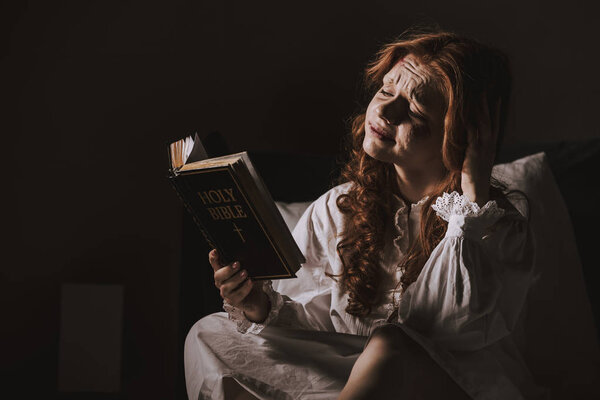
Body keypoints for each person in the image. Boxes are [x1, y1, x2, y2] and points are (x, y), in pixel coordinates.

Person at [187, 28, 548, 399]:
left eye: (414, 109)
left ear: (458, 135)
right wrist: (256, 305)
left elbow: (457, 327)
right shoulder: (337, 207)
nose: (386, 111)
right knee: (210, 333)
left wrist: (471, 199)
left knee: (389, 345)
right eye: (387, 90)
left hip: (449, 385)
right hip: (352, 379)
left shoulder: (493, 224)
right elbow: (313, 329)